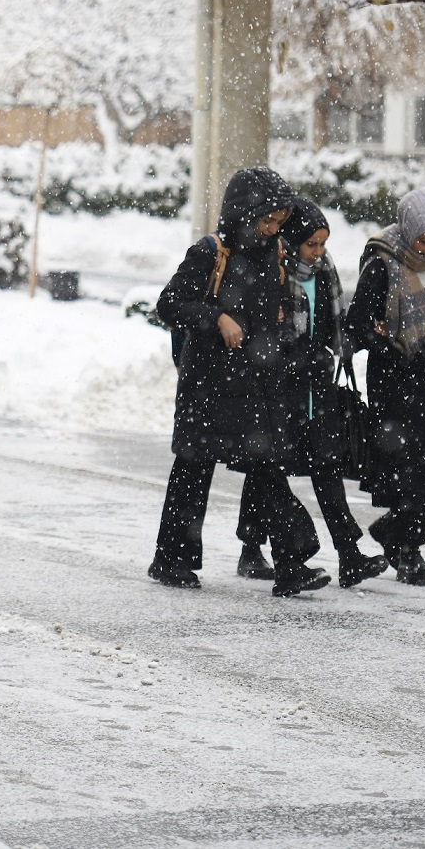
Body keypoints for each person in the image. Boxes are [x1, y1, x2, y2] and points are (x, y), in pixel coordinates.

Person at [150, 167, 329, 598]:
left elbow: (268, 314)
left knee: (268, 470)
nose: (272, 229)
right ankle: (171, 560)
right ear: (243, 212)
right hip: (208, 386)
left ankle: (291, 564)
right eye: (266, 219)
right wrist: (217, 317)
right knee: (193, 470)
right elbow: (169, 305)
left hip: (252, 385)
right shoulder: (211, 252)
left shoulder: (272, 254)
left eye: (279, 221)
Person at [236, 199, 388, 588]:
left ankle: (349, 555)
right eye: (311, 244)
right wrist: (288, 355)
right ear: (292, 240)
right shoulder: (273, 271)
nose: (318, 251)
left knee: (327, 466)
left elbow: (332, 329)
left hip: (317, 389)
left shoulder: (324, 273)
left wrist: (357, 338)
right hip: (280, 389)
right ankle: (252, 548)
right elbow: (261, 331)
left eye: (323, 243)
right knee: (269, 469)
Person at [344, 188, 425, 586]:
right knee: (406, 469)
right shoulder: (382, 262)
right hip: (396, 383)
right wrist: (389, 345)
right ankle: (409, 551)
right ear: (410, 229)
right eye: (424, 239)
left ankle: (394, 533)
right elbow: (357, 324)